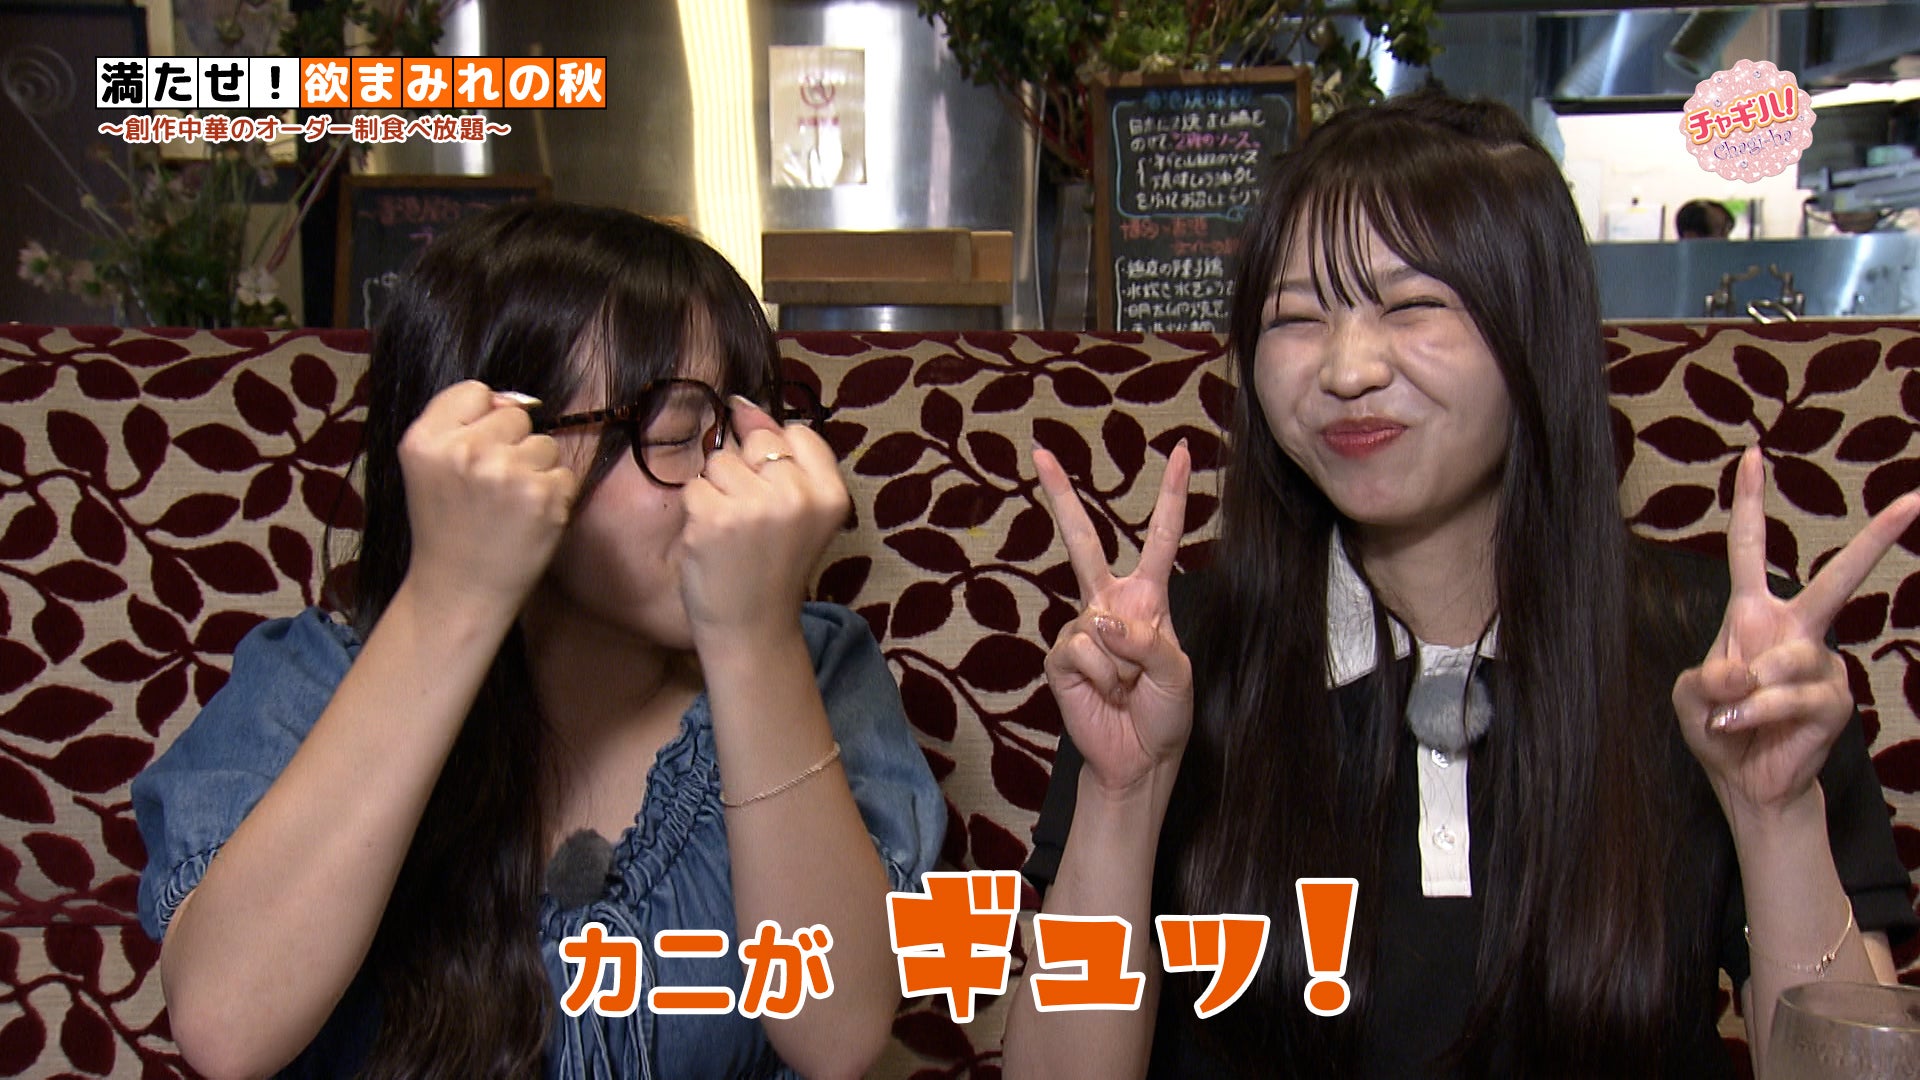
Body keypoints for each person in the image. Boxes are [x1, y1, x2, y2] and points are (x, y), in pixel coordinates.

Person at [1004, 92, 1918, 1078]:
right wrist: (1123, 793)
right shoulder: (1164, 661)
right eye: (1296, 317)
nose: (1348, 370)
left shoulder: (1727, 660)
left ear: (1537, 330)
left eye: (1412, 306)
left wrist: (1776, 817)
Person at [131, 203, 944, 1080]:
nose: (733, 481)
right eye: (678, 434)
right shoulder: (309, 682)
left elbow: (838, 1035)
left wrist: (754, 636)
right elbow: (226, 1026)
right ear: (501, 448)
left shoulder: (815, 667)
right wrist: (452, 595)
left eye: (742, 430)